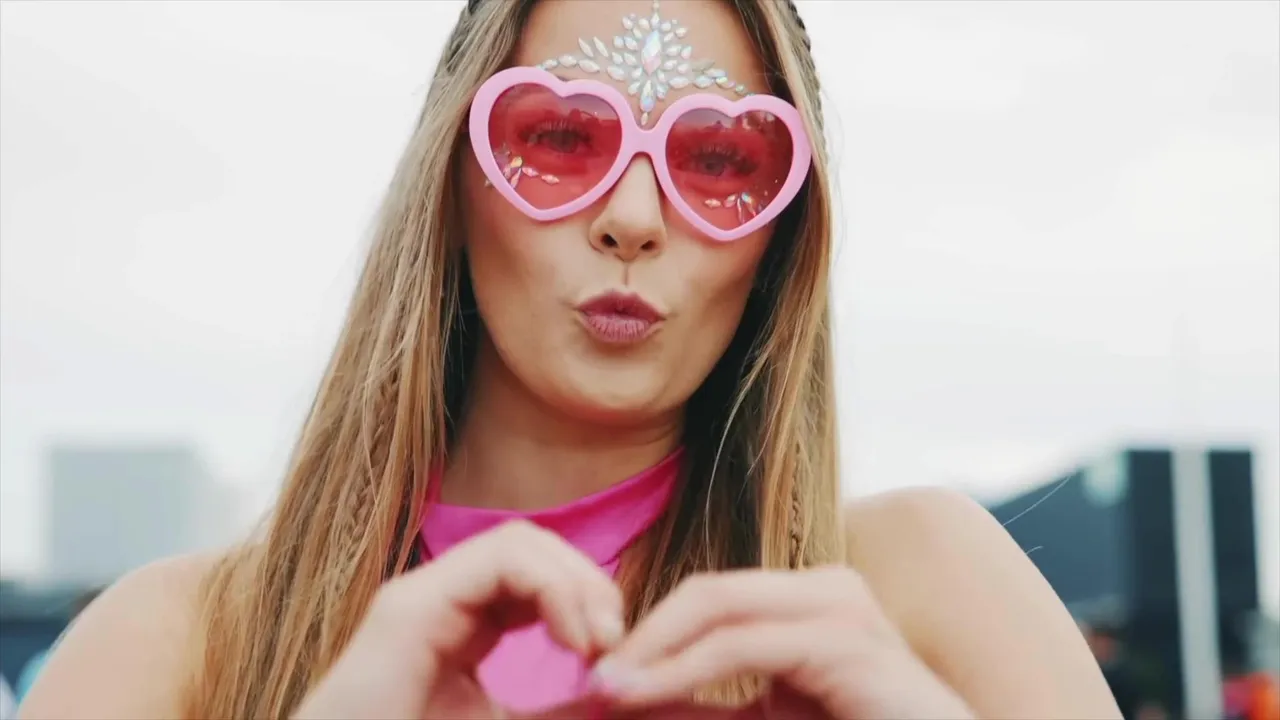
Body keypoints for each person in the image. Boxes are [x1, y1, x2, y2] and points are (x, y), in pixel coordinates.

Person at [18, 1, 1123, 718]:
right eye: (557, 138)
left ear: (783, 239)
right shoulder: (173, 647)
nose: (632, 217)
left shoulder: (925, 589)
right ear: (452, 184)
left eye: (719, 159)